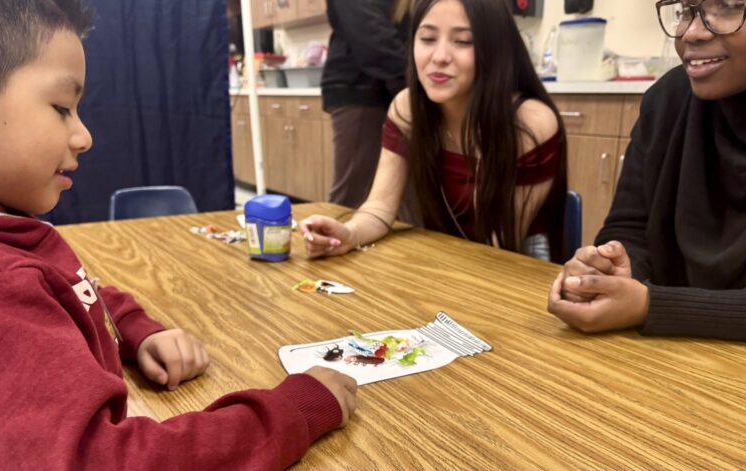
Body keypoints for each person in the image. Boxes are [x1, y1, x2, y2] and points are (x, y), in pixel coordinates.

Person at [0, 1, 357, 469]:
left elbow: (72, 291)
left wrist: (134, 330)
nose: (83, 136)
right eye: (61, 108)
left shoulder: (6, 233)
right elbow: (102, 460)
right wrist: (291, 412)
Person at [302, 0, 568, 262]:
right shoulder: (407, 109)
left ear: (495, 49)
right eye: (428, 39)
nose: (439, 57)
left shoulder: (529, 122)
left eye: (463, 41)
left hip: (515, 259)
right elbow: (380, 208)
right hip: (448, 251)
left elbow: (498, 245)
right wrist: (348, 233)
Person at [548, 0, 746, 341]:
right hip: (663, 354)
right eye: (686, 9)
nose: (690, 32)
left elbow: (649, 305)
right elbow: (630, 228)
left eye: (729, 6)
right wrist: (613, 270)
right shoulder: (666, 100)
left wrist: (650, 306)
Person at [322, 0, 412, 211]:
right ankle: (330, 241)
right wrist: (412, 83)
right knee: (352, 197)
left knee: (403, 196)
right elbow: (370, 34)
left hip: (386, 87)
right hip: (363, 88)